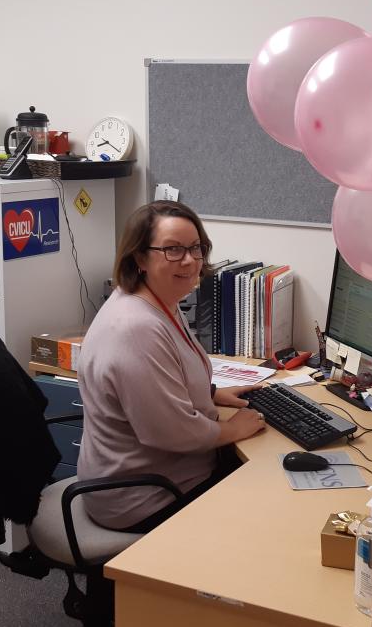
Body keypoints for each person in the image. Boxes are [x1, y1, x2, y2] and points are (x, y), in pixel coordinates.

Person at [76, 201, 266, 532]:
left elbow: (161, 378)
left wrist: (211, 394)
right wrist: (234, 429)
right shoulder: (135, 328)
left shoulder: (158, 300)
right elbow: (170, 432)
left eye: (196, 248)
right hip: (144, 498)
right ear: (139, 257)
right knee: (267, 500)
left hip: (149, 477)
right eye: (173, 250)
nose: (190, 260)